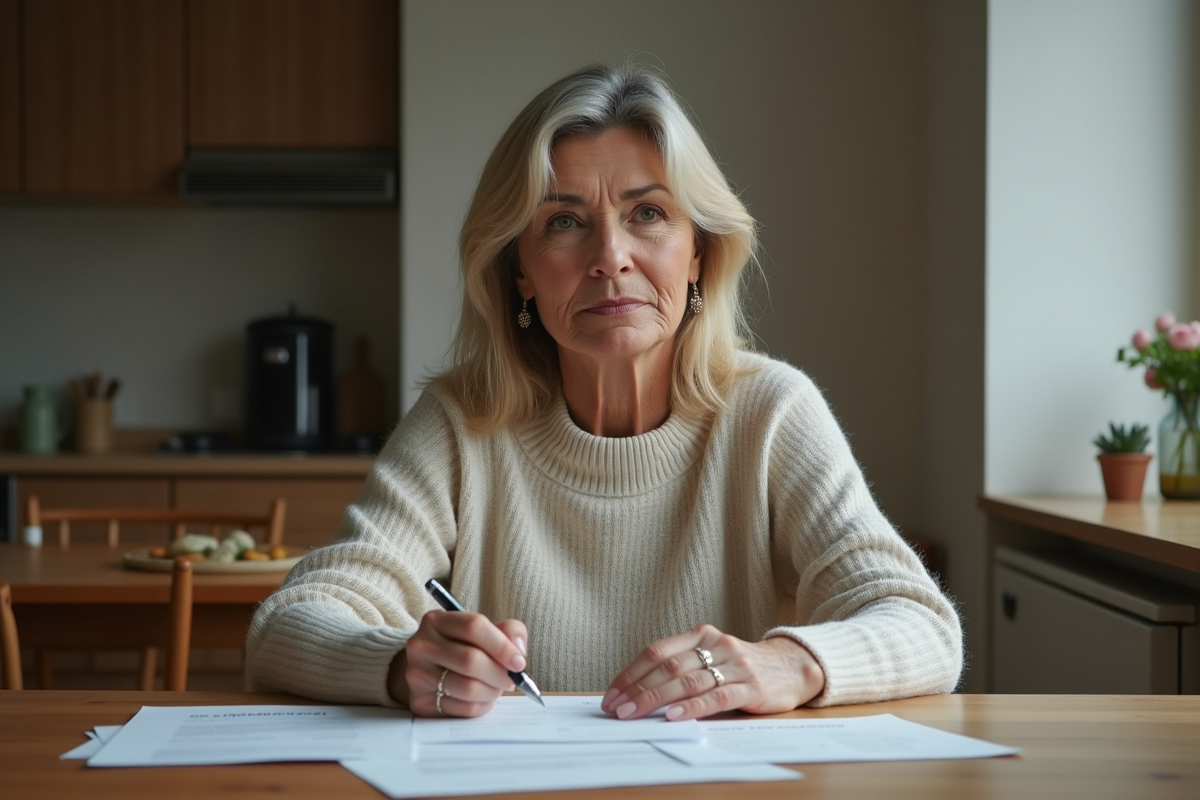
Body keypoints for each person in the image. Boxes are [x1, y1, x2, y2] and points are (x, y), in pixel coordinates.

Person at [246, 63, 963, 721]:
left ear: (699, 253)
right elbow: (288, 624)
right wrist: (401, 664)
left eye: (648, 214)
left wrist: (790, 663)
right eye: (563, 223)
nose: (610, 258)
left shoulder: (772, 411)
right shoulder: (462, 421)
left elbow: (923, 625)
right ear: (520, 273)